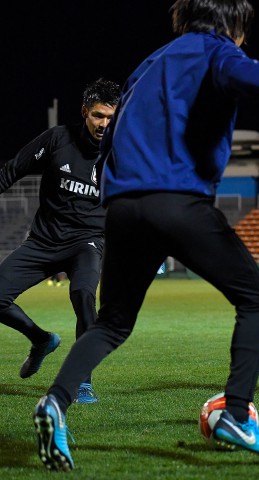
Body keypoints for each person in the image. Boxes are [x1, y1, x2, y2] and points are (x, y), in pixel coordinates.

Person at [33, 0, 259, 471]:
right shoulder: (215, 50)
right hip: (178, 201)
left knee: (113, 323)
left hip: (123, 209)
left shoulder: (149, 62)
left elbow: (112, 136)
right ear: (233, 24)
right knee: (256, 300)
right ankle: (236, 415)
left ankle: (55, 402)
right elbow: (255, 74)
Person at [0, 78, 120, 404]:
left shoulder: (122, 154)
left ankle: (82, 380)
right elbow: (11, 170)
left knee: (83, 293)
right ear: (85, 112)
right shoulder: (57, 140)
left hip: (87, 242)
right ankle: (41, 340)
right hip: (43, 241)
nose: (104, 124)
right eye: (98, 115)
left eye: (110, 117)